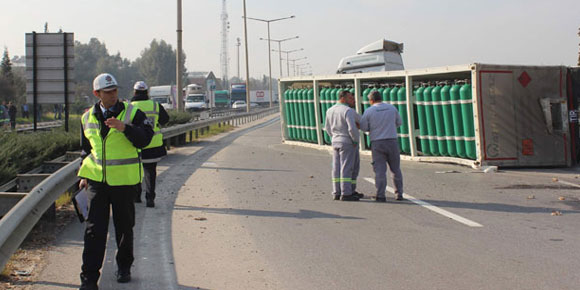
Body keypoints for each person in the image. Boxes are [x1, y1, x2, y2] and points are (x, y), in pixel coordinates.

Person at [77, 73, 153, 290]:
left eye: (115, 91)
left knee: (124, 229)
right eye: (108, 92)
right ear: (97, 94)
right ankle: (89, 279)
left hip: (124, 182)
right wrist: (83, 174)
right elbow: (86, 150)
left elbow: (146, 140)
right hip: (96, 183)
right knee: (94, 231)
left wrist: (124, 128)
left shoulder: (133, 113)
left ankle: (124, 267)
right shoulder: (86, 118)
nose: (113, 95)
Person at [360, 90, 404, 202]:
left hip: (377, 142)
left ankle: (380, 195)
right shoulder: (391, 108)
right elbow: (399, 122)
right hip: (392, 141)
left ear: (371, 100)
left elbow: (364, 127)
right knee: (395, 169)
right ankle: (399, 194)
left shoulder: (369, 111)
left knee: (379, 170)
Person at [130, 81, 169, 208]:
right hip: (153, 144)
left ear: (134, 92)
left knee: (136, 171)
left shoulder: (129, 107)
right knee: (150, 171)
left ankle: (136, 196)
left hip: (134, 145)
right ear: (147, 92)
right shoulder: (155, 105)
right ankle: (150, 198)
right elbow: (165, 120)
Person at [324, 90, 362, 201]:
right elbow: (352, 128)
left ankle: (337, 192)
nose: (353, 100)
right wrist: (355, 140)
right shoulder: (348, 111)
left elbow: (327, 127)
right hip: (347, 142)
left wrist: (334, 137)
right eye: (351, 98)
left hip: (335, 141)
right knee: (347, 167)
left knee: (336, 167)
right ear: (343, 98)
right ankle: (346, 193)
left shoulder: (330, 110)